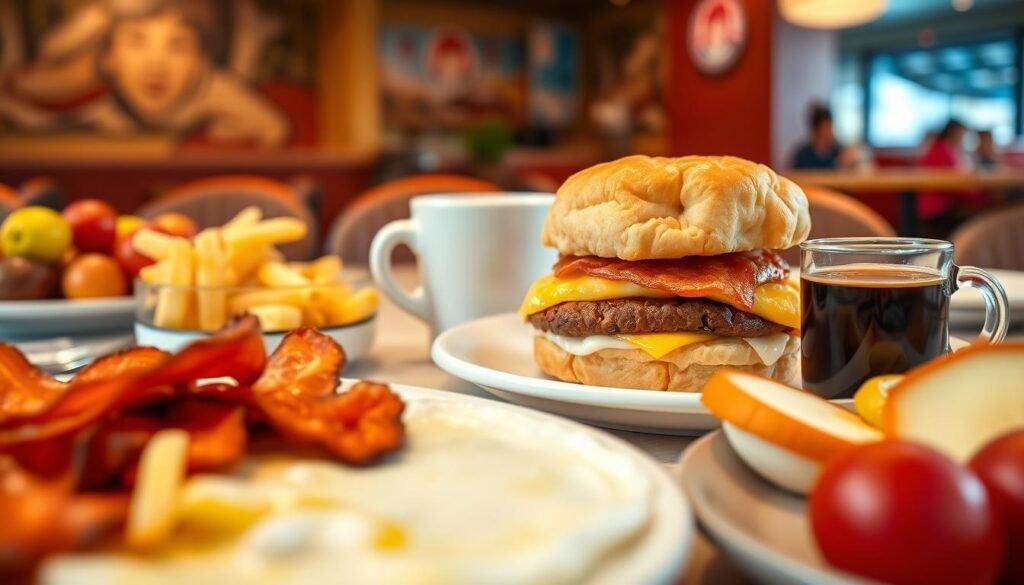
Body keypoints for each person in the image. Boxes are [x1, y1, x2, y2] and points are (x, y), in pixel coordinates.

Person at [792, 105, 844, 170]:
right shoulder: (803, 155)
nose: (829, 132)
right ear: (816, 130)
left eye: (830, 127)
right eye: (825, 128)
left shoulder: (839, 153)